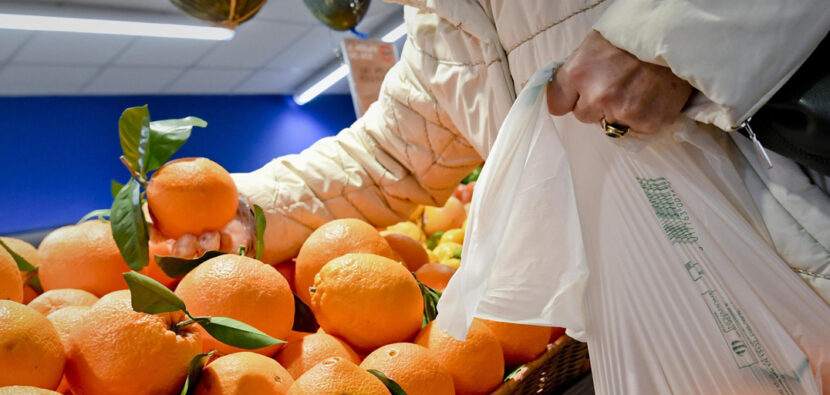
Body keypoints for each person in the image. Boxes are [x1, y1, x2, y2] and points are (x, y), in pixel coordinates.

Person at [225, 0, 829, 304]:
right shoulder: (443, 29)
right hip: (671, 320)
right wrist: (238, 206)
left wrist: (665, 35)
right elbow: (391, 160)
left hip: (797, 263)